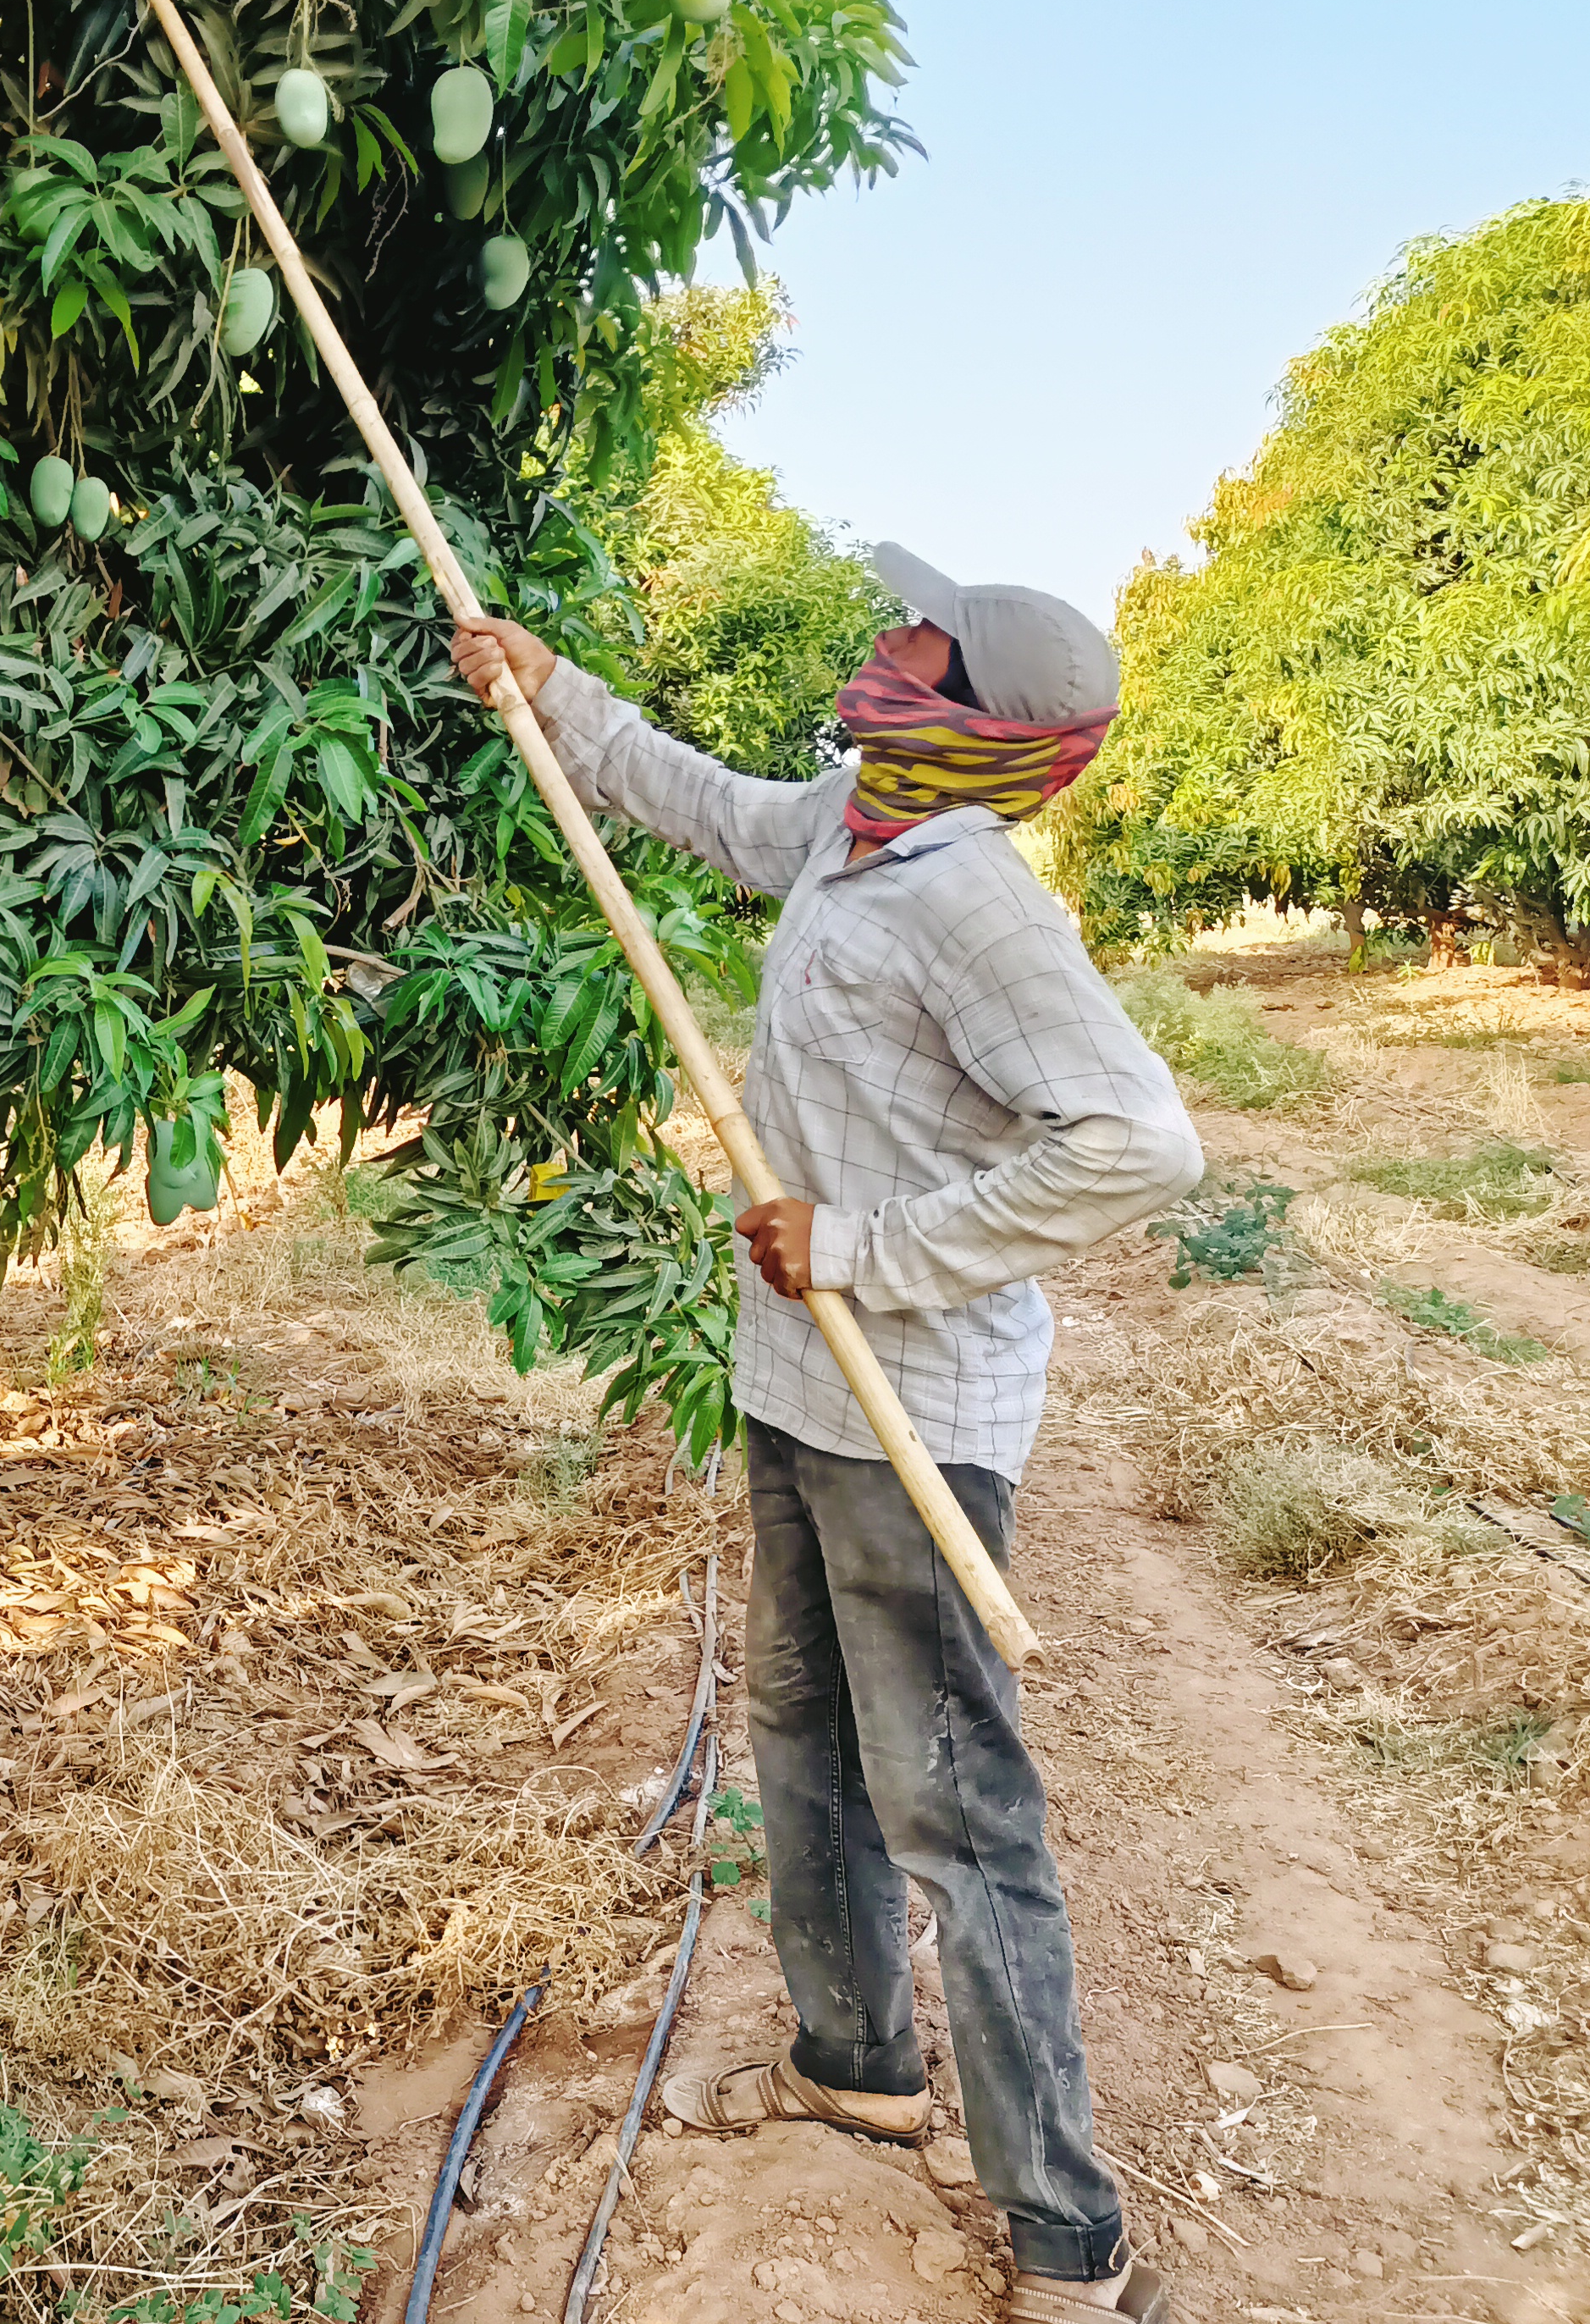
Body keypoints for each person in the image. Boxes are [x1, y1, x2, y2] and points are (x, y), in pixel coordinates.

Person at [451, 546, 1201, 2324]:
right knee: (794, 1730)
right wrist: (552, 693)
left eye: (913, 639)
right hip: (794, 1385)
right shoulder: (855, 820)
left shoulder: (979, 906)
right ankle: (851, 2057)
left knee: (954, 1807)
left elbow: (1138, 1144)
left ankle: (1058, 2233)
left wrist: (862, 1250)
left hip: (908, 1416)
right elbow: (708, 810)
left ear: (973, 720)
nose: (878, 645)